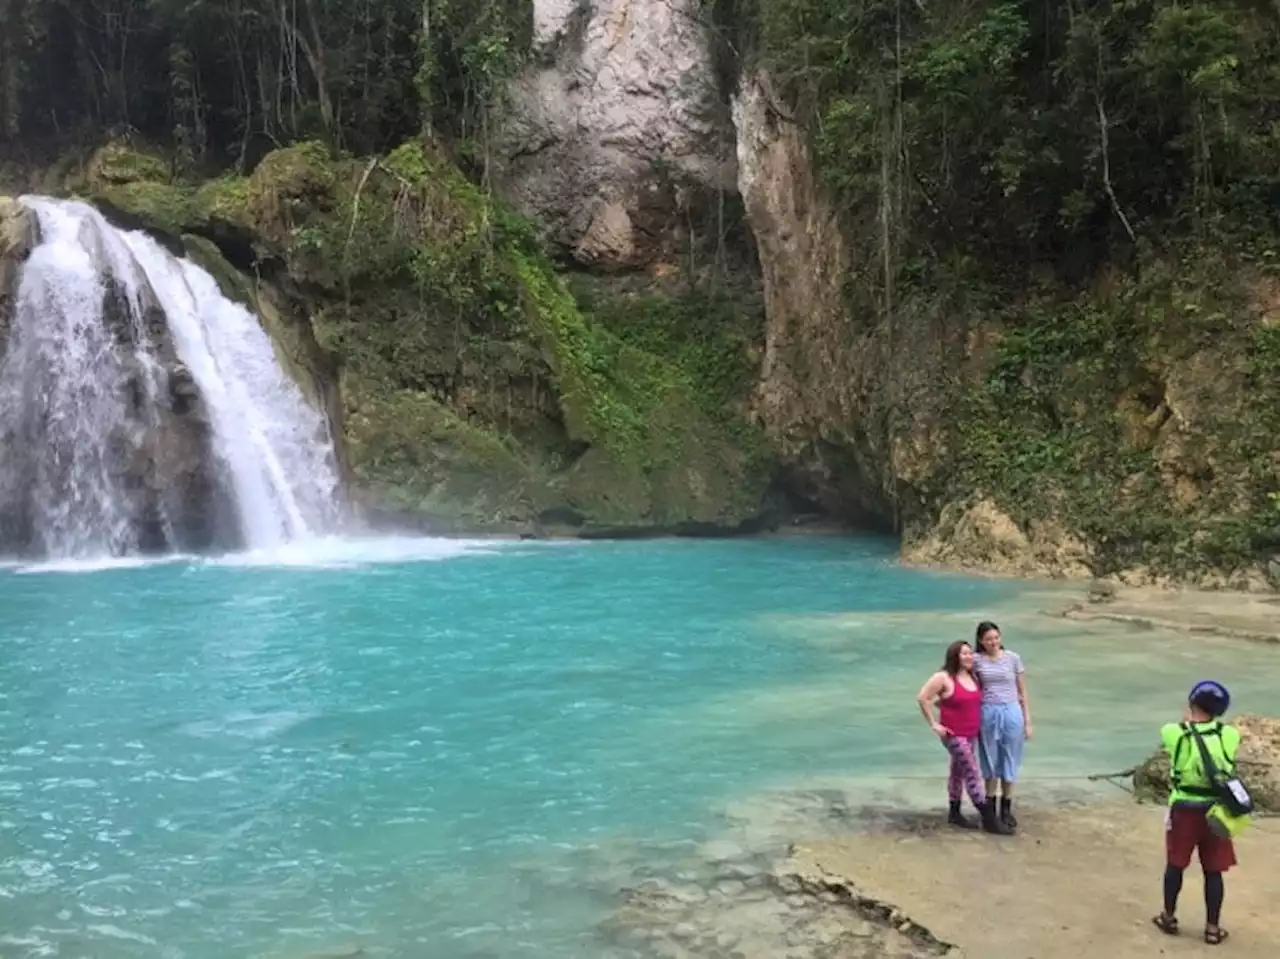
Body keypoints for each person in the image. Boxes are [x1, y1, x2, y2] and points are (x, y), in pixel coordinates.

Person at [1152, 680, 1240, 946]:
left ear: (1192, 705)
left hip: (1184, 808)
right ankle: (1212, 929)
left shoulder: (1174, 732)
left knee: (1176, 864)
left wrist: (1187, 721)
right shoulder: (1230, 735)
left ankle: (1168, 917)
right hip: (1216, 810)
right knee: (1213, 871)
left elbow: (1171, 731)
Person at [916, 640, 1012, 835]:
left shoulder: (972, 676)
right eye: (964, 654)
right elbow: (923, 698)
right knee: (972, 773)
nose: (969, 657)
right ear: (955, 656)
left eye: (970, 653)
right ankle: (989, 818)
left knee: (957, 771)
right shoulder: (943, 677)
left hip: (971, 732)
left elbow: (948, 702)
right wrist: (934, 724)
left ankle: (954, 812)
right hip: (954, 735)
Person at [971, 621, 1031, 829]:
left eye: (996, 637)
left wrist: (1028, 721)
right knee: (990, 758)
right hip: (988, 711)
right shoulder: (976, 661)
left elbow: (1023, 693)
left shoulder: (1013, 659)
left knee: (1011, 758)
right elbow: (965, 681)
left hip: (1011, 710)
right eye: (988, 639)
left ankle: (1007, 807)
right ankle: (990, 808)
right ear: (981, 641)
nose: (993, 642)